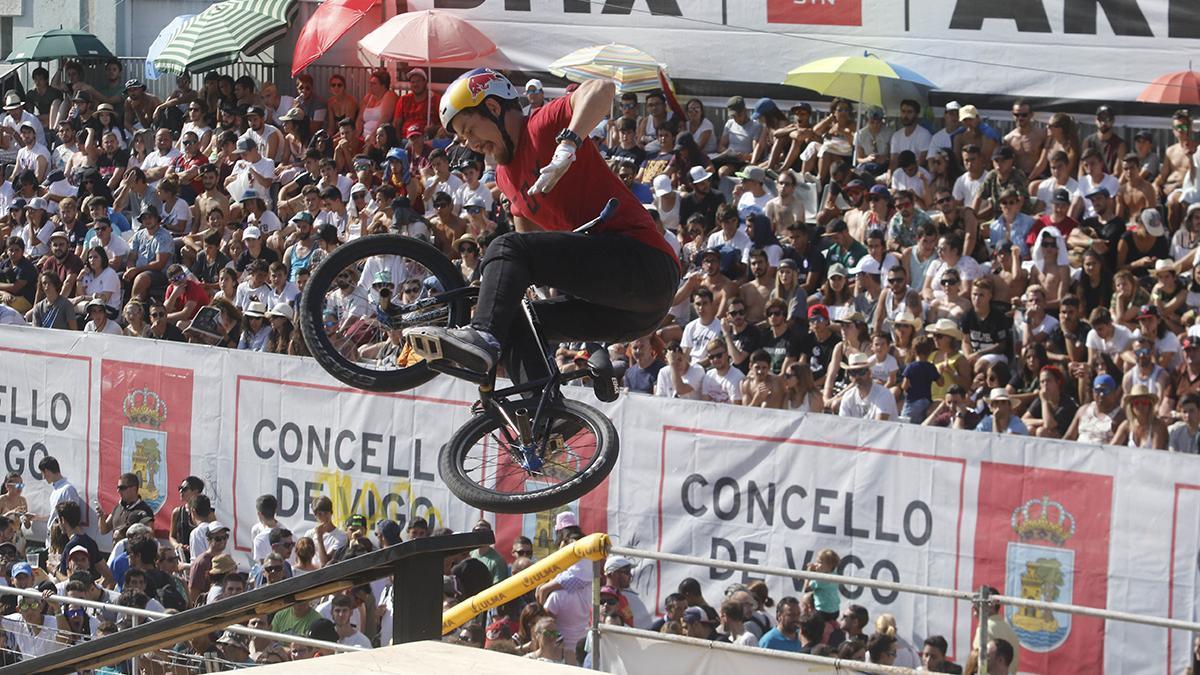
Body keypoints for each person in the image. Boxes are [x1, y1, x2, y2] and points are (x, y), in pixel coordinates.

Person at [409, 69, 678, 379]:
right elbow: (527, 241)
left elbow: (601, 89)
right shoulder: (504, 177)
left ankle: (481, 335)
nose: (470, 145)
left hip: (646, 265)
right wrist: (519, 290)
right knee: (521, 321)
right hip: (632, 315)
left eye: (470, 130)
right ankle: (543, 417)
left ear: (494, 109)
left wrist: (569, 143)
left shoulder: (541, 125)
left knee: (503, 247)